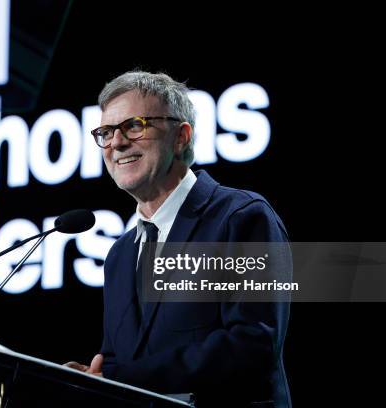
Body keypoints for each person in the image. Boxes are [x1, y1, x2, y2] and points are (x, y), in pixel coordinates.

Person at [65, 71, 291, 407]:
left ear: (181, 136)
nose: (116, 143)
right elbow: (117, 361)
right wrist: (90, 379)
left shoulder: (241, 217)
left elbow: (252, 345)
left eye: (134, 126)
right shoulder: (120, 255)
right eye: (106, 132)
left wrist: (121, 378)